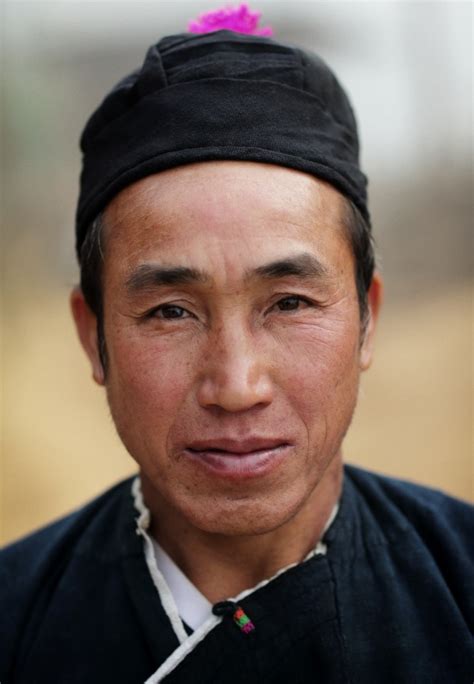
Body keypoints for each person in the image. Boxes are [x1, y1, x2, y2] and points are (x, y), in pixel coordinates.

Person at [1, 8, 473, 683]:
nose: (236, 385)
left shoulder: (460, 588)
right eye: (170, 311)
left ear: (367, 319)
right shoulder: (15, 620)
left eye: (289, 303)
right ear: (93, 336)